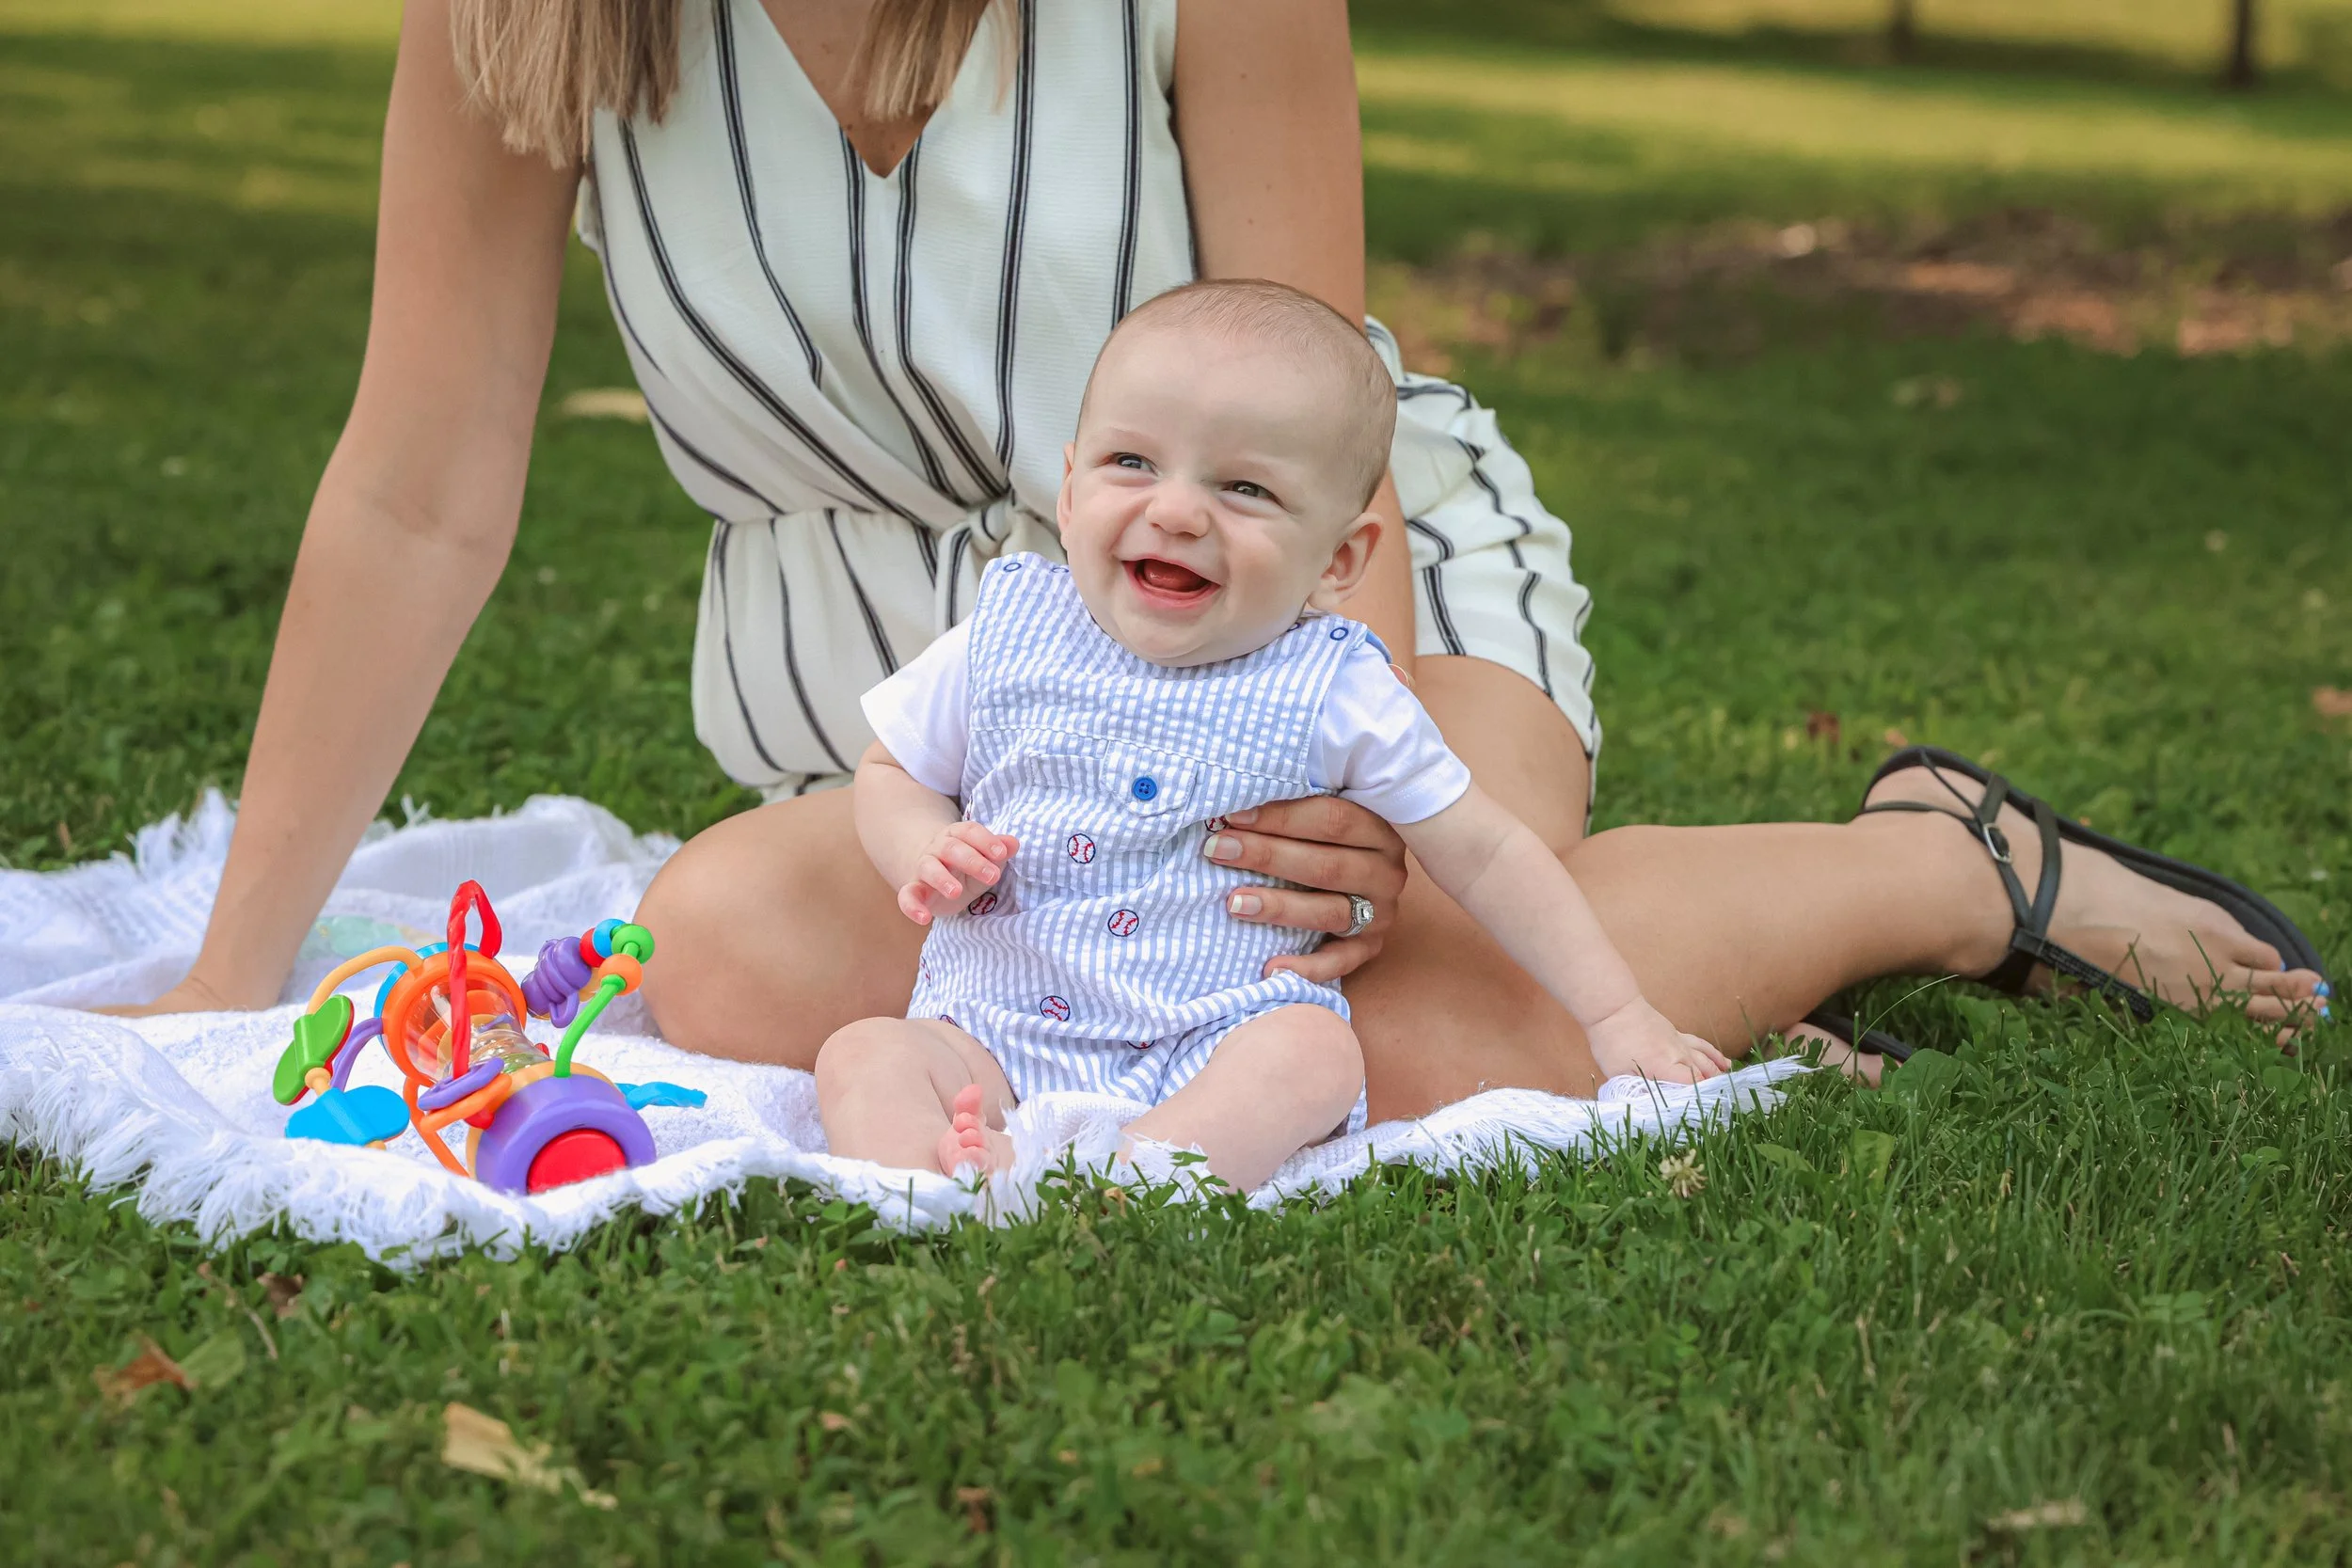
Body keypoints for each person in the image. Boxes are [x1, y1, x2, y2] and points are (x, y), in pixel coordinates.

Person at [119, 0, 2328, 1118]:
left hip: (1324, 594)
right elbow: (421, 489)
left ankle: (1937, 869)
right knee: (706, 954)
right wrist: (239, 966)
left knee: (1396, 1006)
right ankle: (1722, 949)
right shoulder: (526, 19)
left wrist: (1347, 806)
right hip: (946, 706)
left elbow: (1323, 373)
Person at [820, 281, 1729, 1187]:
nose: (1175, 511)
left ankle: (1136, 1176)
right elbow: (890, 767)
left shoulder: (1335, 688)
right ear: (1067, 493)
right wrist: (921, 845)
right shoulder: (1009, 628)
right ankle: (927, 1188)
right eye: (1131, 463)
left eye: (1244, 486)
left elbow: (1487, 854)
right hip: (992, 1023)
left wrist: (1618, 1015)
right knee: (862, 1054)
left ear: (1338, 560)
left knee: (1311, 1057)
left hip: (1217, 1037)